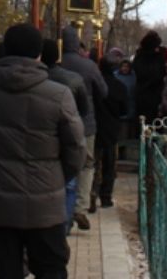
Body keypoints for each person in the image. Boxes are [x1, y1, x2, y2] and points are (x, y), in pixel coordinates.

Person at [0, 25, 84, 279]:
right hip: (45, 205)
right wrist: (57, 177)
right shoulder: (58, 94)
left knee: (4, 271)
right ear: (38, 54)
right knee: (51, 269)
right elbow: (76, 148)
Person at [58, 27, 107, 225]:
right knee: (86, 164)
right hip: (86, 122)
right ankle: (80, 206)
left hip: (59, 122)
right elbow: (103, 91)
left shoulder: (56, 64)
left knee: (62, 162)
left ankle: (62, 207)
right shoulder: (89, 66)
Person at [41, 40, 90, 231]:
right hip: (69, 132)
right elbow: (84, 109)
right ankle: (65, 224)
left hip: (44, 136)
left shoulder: (38, 79)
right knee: (69, 182)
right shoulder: (74, 79)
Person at [94, 51, 127, 208]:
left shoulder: (95, 84)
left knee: (93, 162)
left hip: (95, 125)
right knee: (109, 163)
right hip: (112, 128)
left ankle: (92, 194)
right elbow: (124, 109)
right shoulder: (119, 86)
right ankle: (106, 196)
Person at [131, 32, 166, 123]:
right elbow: (160, 73)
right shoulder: (159, 58)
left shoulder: (139, 57)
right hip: (155, 94)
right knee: (155, 122)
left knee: (143, 122)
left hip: (141, 95)